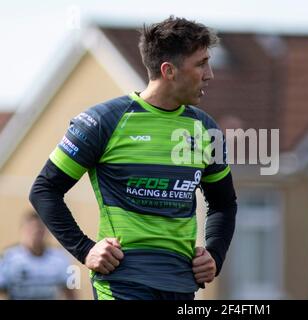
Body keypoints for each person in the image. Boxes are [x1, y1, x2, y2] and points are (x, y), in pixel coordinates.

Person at [29, 16, 237, 300]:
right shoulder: (104, 121)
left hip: (181, 284)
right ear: (169, 70)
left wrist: (214, 254)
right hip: (123, 282)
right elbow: (44, 190)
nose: (210, 74)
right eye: (201, 64)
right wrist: (85, 249)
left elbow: (224, 203)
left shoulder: (205, 128)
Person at [0, 211, 76, 300]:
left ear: (45, 232)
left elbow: (71, 293)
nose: (34, 235)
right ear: (22, 230)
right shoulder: (8, 258)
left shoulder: (61, 258)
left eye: (38, 231)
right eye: (30, 230)